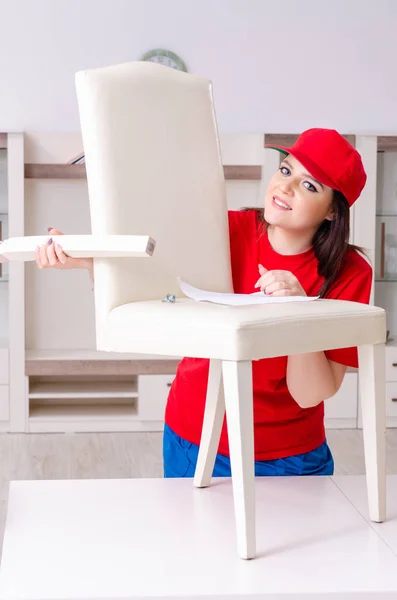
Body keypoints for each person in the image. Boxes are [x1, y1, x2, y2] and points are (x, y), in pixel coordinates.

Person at [31, 128, 372, 478]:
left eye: (309, 185)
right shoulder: (224, 230)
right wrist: (87, 261)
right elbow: (149, 285)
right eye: (286, 170)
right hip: (195, 437)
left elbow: (310, 394)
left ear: (333, 211)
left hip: (291, 454)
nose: (284, 188)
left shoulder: (350, 272)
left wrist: (299, 310)